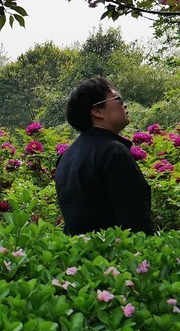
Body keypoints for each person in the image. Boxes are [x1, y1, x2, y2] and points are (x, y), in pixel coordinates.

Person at [53, 76, 155, 235]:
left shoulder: (66, 157)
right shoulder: (114, 152)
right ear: (97, 111)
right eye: (118, 99)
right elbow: (136, 223)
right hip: (113, 255)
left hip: (77, 254)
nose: (124, 105)